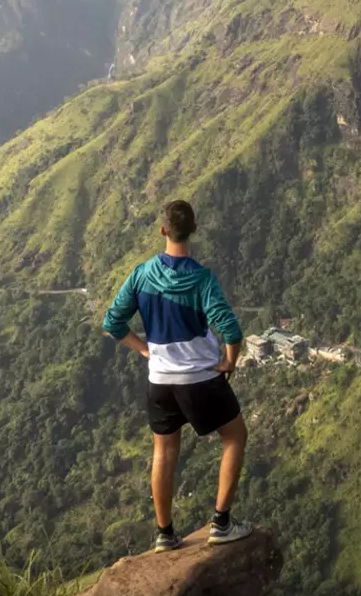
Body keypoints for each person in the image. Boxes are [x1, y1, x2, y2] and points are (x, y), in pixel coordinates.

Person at [101, 198, 252, 549]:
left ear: (163, 230)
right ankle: (221, 523)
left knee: (164, 453)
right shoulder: (202, 280)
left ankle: (165, 535)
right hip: (199, 379)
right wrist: (229, 361)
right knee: (235, 437)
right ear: (194, 231)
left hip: (160, 381)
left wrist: (144, 350)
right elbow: (231, 329)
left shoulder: (141, 274)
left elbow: (113, 322)